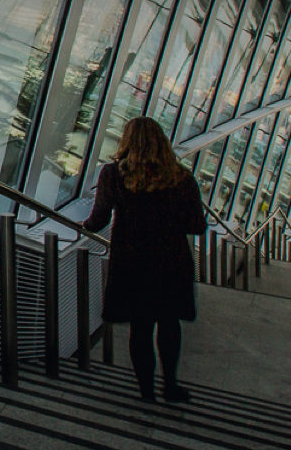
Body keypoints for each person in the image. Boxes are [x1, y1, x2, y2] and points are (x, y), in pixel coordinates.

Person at [82, 117, 207, 403]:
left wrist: (84, 225)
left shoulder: (113, 175)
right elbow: (196, 226)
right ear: (162, 142)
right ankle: (171, 385)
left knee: (141, 327)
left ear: (126, 141)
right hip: (171, 261)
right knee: (169, 323)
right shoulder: (181, 178)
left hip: (132, 262)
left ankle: (147, 392)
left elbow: (98, 218)